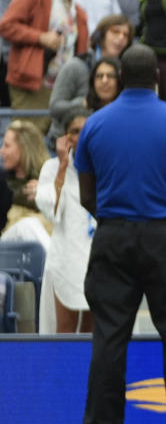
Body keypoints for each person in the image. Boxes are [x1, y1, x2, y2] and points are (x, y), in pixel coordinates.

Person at [74, 43, 166, 424]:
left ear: (118, 76)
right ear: (157, 76)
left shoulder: (94, 126)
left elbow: (86, 196)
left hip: (113, 237)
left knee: (109, 337)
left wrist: (119, 220)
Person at [0, 0, 91, 132]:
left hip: (63, 89)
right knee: (30, 145)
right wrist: (40, 37)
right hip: (31, 83)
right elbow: (6, 26)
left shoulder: (78, 11)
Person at [35, 106, 93, 333]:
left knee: (94, 334)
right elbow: (51, 210)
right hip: (65, 259)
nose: (80, 137)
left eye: (85, 131)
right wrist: (61, 167)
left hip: (98, 258)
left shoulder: (107, 166)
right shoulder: (52, 168)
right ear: (66, 136)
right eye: (74, 131)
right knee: (64, 334)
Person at [48, 14, 130, 140]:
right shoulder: (76, 66)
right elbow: (55, 107)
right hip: (65, 144)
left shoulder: (124, 72)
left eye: (126, 35)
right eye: (115, 32)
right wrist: (83, 103)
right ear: (100, 35)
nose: (121, 38)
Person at [2, 118, 51, 239]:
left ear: (24, 147)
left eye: (7, 146)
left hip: (45, 241)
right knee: (28, 225)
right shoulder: (2, 181)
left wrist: (47, 191)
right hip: (8, 246)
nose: (1, 151)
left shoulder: (49, 178)